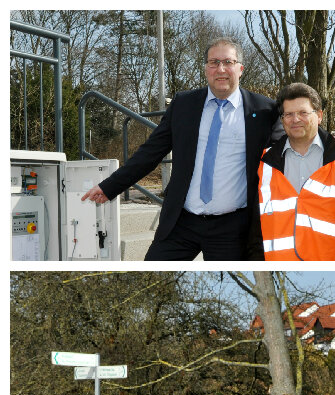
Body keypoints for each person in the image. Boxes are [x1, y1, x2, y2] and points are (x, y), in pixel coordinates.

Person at [81, 37, 279, 261]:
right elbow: (151, 152)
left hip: (233, 229)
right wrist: (109, 187)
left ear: (240, 68)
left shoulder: (265, 110)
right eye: (214, 62)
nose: (221, 69)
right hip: (181, 223)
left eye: (228, 62)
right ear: (205, 68)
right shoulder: (184, 104)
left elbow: (291, 148)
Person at [256, 83, 335, 260]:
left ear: (319, 116)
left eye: (303, 113)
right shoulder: (263, 162)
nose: (295, 119)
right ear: (282, 120)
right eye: (288, 114)